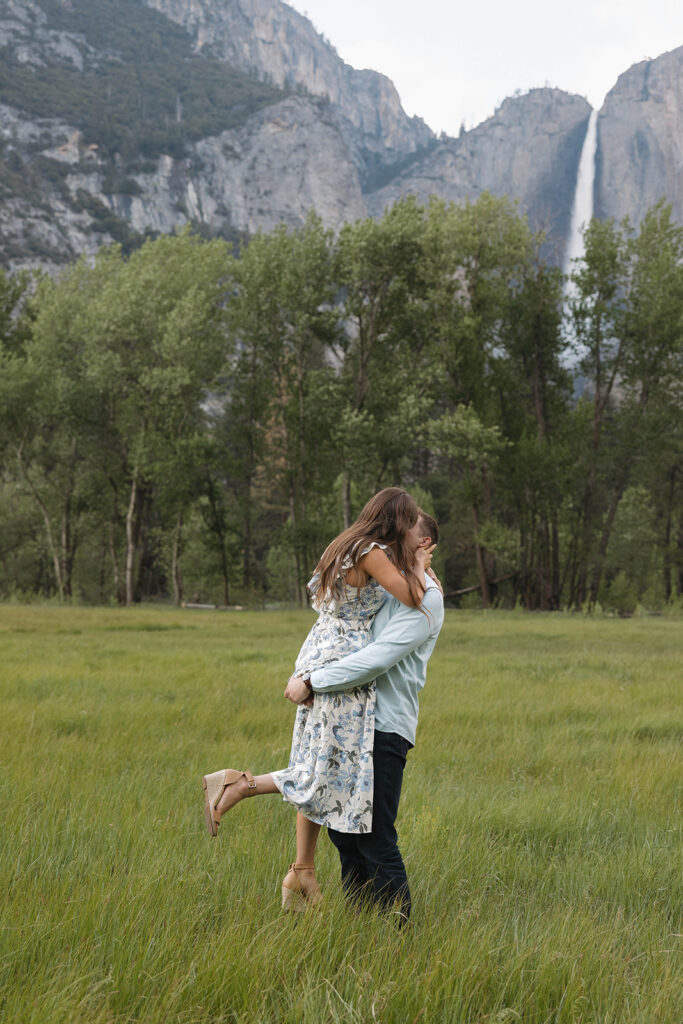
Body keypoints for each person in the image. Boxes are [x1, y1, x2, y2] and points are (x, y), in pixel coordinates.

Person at [201, 488, 436, 910]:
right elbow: (400, 612)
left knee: (321, 770)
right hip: (338, 669)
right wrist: (418, 566)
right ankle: (251, 798)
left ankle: (302, 870)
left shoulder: (352, 548)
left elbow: (380, 620)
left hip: (332, 663)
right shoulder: (377, 554)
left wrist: (312, 674)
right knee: (325, 778)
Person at [284, 512, 443, 921]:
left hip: (385, 726)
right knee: (344, 833)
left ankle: (398, 931)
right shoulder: (391, 589)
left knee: (374, 836)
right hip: (353, 722)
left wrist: (314, 681)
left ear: (424, 545)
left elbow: (375, 659)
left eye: (404, 535)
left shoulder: (427, 598)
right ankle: (362, 926)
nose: (391, 542)